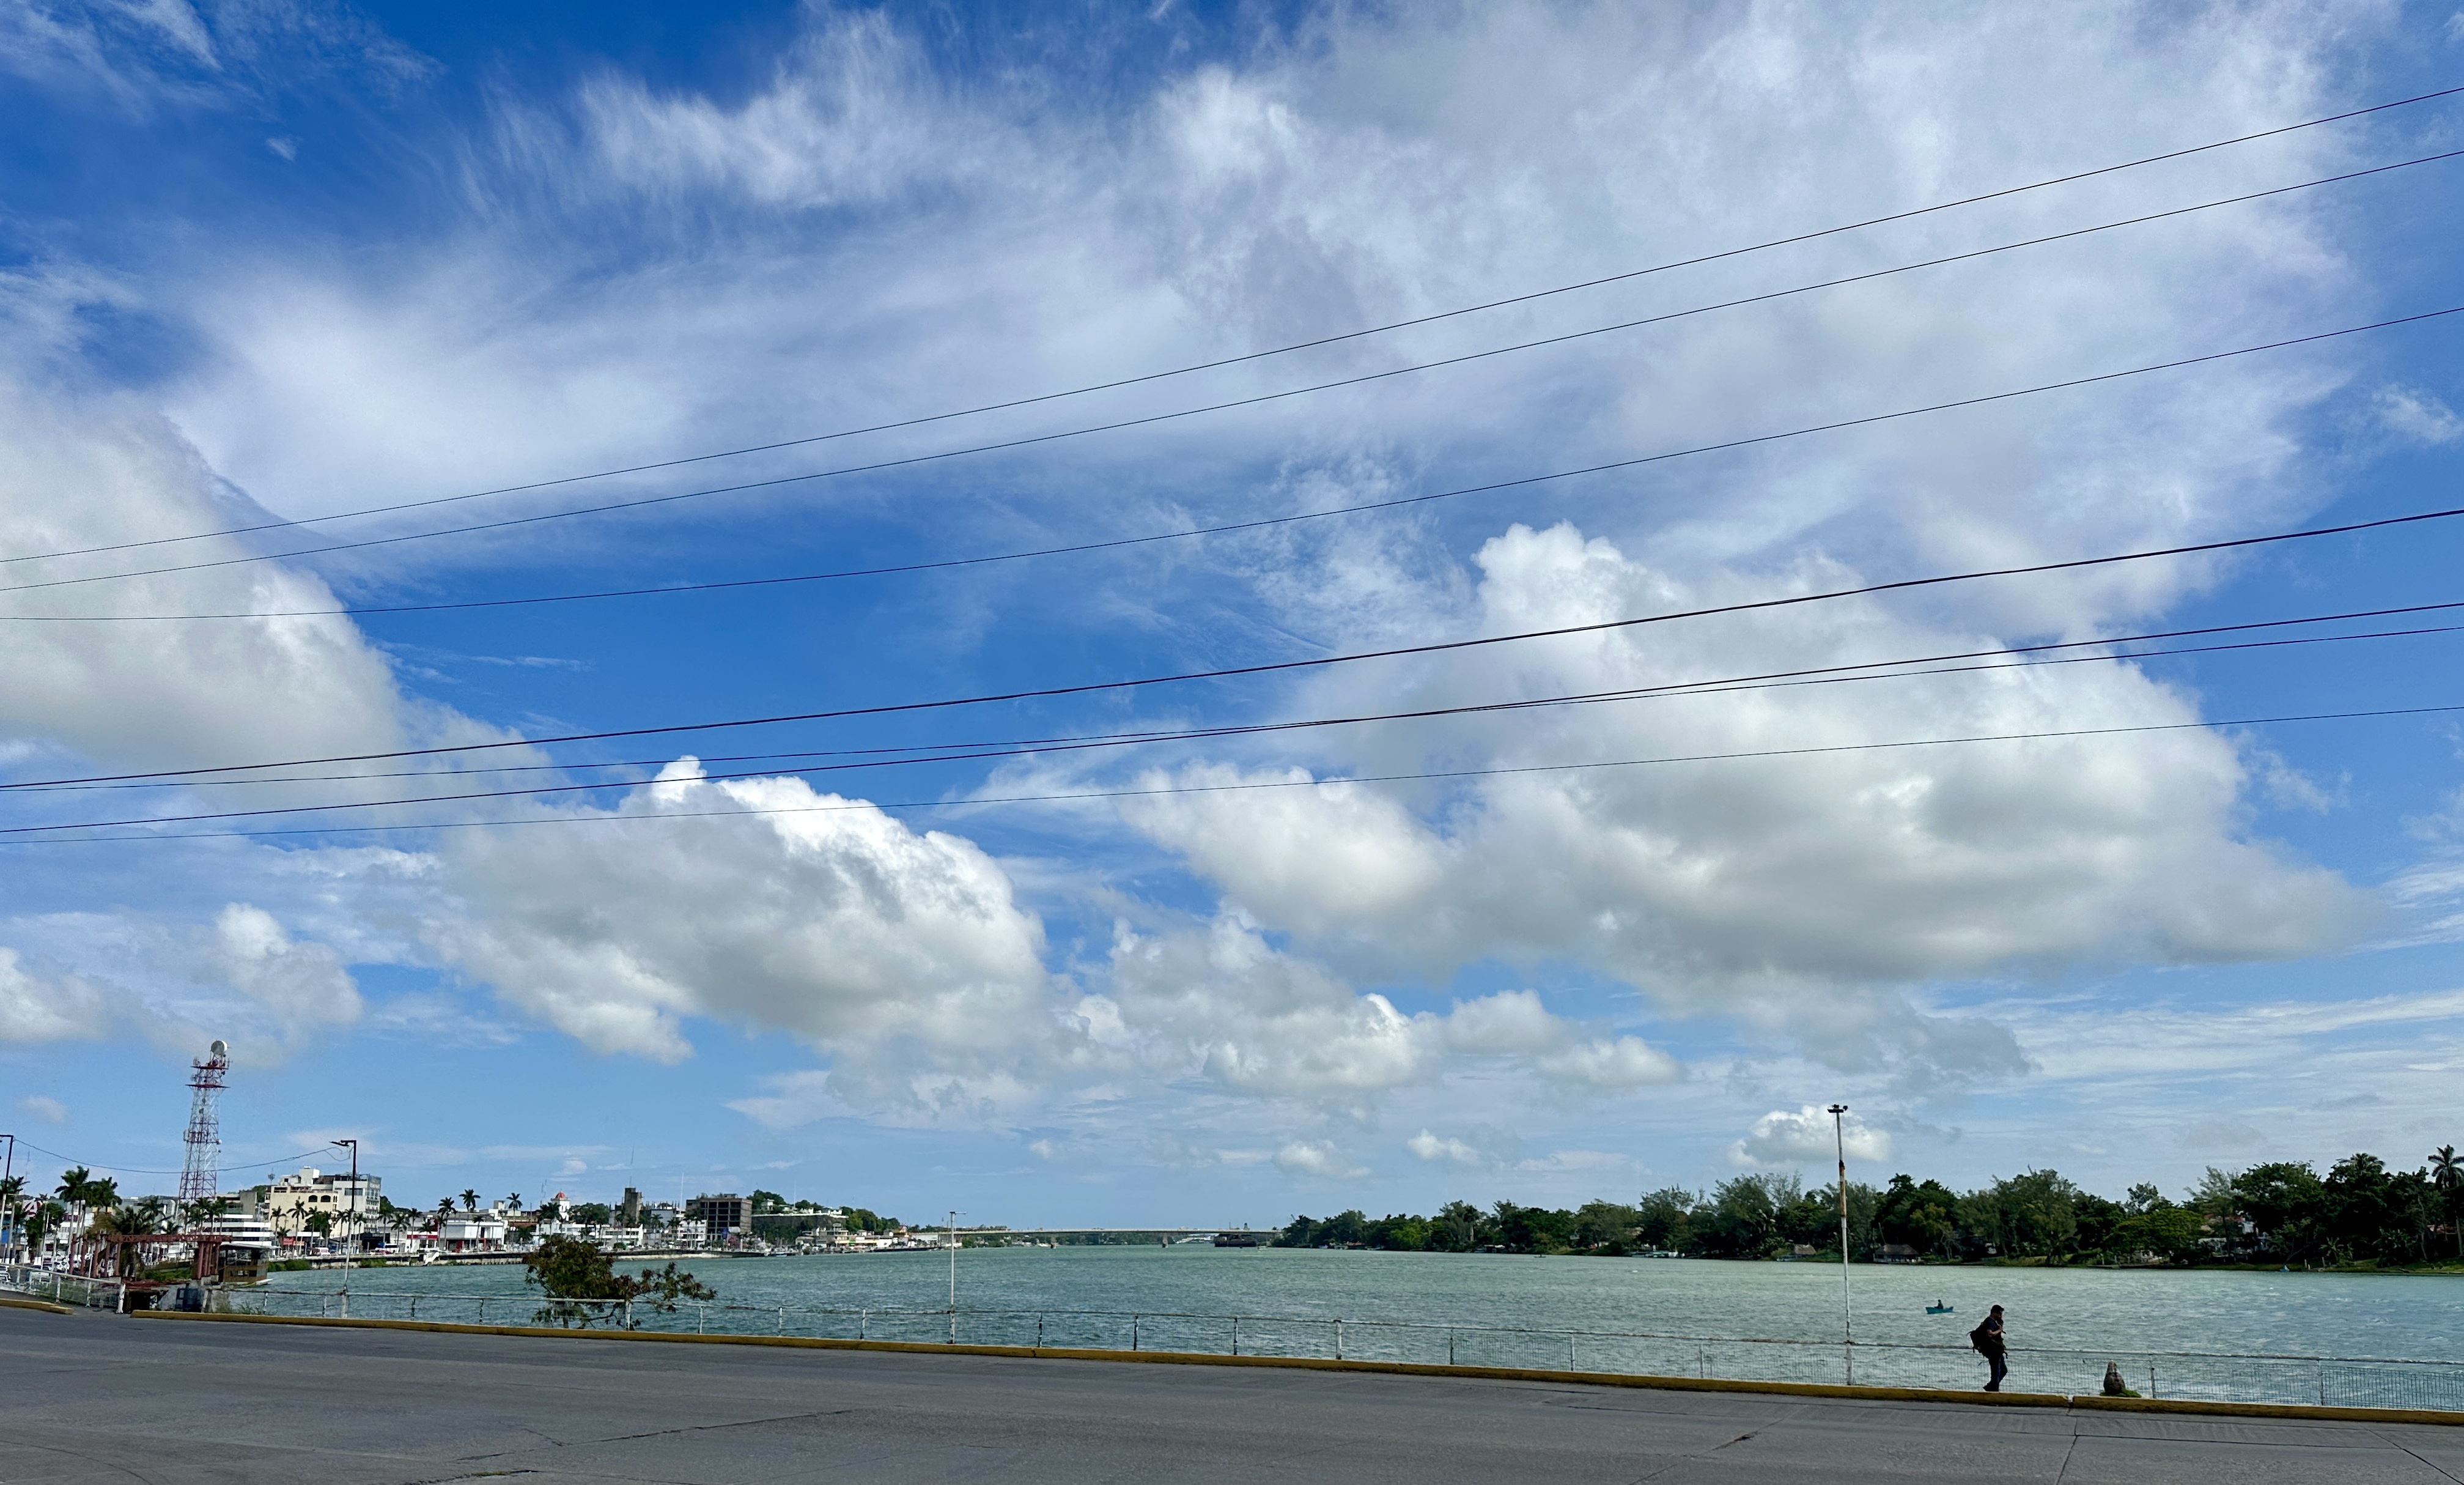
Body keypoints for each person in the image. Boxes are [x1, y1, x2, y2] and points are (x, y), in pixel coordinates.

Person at [1969, 1305, 2008, 1391]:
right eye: (1999, 1314)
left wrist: (2000, 1326)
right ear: (1994, 1313)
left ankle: (1990, 1386)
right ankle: (1993, 1389)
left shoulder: (1994, 1322)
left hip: (1997, 1351)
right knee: (1996, 1372)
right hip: (1992, 1351)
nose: (2000, 1316)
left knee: (2004, 1370)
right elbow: (1990, 1334)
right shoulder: (1989, 1322)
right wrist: (2000, 1330)